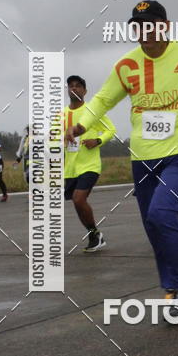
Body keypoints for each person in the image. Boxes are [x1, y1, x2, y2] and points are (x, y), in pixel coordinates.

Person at [65, 0, 178, 309]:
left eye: (151, 24)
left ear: (165, 26)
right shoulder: (126, 65)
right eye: (138, 26)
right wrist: (81, 125)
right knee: (155, 224)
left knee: (163, 213)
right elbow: (103, 100)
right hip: (145, 155)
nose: (145, 31)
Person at [63, 75, 116, 252]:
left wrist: (97, 141)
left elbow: (111, 130)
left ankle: (94, 234)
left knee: (79, 198)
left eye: (78, 86)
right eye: (71, 86)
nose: (74, 88)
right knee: (77, 202)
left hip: (90, 165)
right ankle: (94, 234)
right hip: (70, 168)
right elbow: (55, 138)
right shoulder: (62, 114)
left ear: (85, 91)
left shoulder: (91, 111)